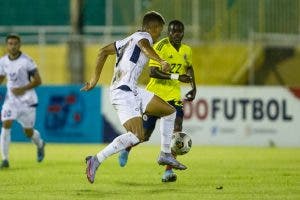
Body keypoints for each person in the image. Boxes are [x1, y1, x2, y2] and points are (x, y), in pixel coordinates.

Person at [81, 11, 187, 184]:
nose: (159, 34)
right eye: (159, 31)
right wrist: (161, 60)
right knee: (137, 135)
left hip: (132, 89)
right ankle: (96, 159)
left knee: (169, 111)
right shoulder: (143, 36)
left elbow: (102, 52)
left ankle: (165, 154)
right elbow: (145, 45)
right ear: (153, 27)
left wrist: (94, 80)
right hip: (122, 92)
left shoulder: (125, 41)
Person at [118, 20, 197, 182]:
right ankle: (127, 148)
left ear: (183, 33)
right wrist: (176, 76)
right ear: (168, 32)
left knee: (177, 132)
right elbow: (153, 72)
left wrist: (193, 88)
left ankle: (168, 171)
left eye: (180, 31)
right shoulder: (160, 47)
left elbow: (189, 68)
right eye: (174, 31)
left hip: (174, 97)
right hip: (155, 97)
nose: (177, 34)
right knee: (144, 135)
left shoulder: (187, 50)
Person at [0, 34, 45, 169]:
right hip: (11, 101)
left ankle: (40, 144)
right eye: (10, 44)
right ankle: (5, 159)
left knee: (28, 132)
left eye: (15, 44)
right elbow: (1, 78)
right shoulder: (3, 61)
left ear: (19, 45)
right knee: (6, 124)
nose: (13, 46)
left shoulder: (27, 61)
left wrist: (22, 89)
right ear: (7, 45)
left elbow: (38, 80)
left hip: (27, 101)